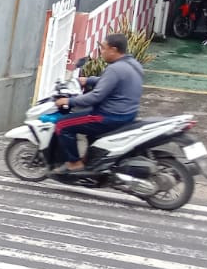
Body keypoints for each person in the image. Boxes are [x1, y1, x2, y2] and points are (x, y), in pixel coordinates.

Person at [52, 33, 144, 173]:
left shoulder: (114, 69)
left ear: (113, 50)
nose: (101, 52)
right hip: (127, 113)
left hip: (109, 116)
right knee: (85, 126)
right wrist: (88, 80)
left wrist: (69, 101)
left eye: (103, 48)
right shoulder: (133, 64)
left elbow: (95, 97)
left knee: (62, 124)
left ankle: (74, 163)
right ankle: (90, 159)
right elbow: (112, 82)